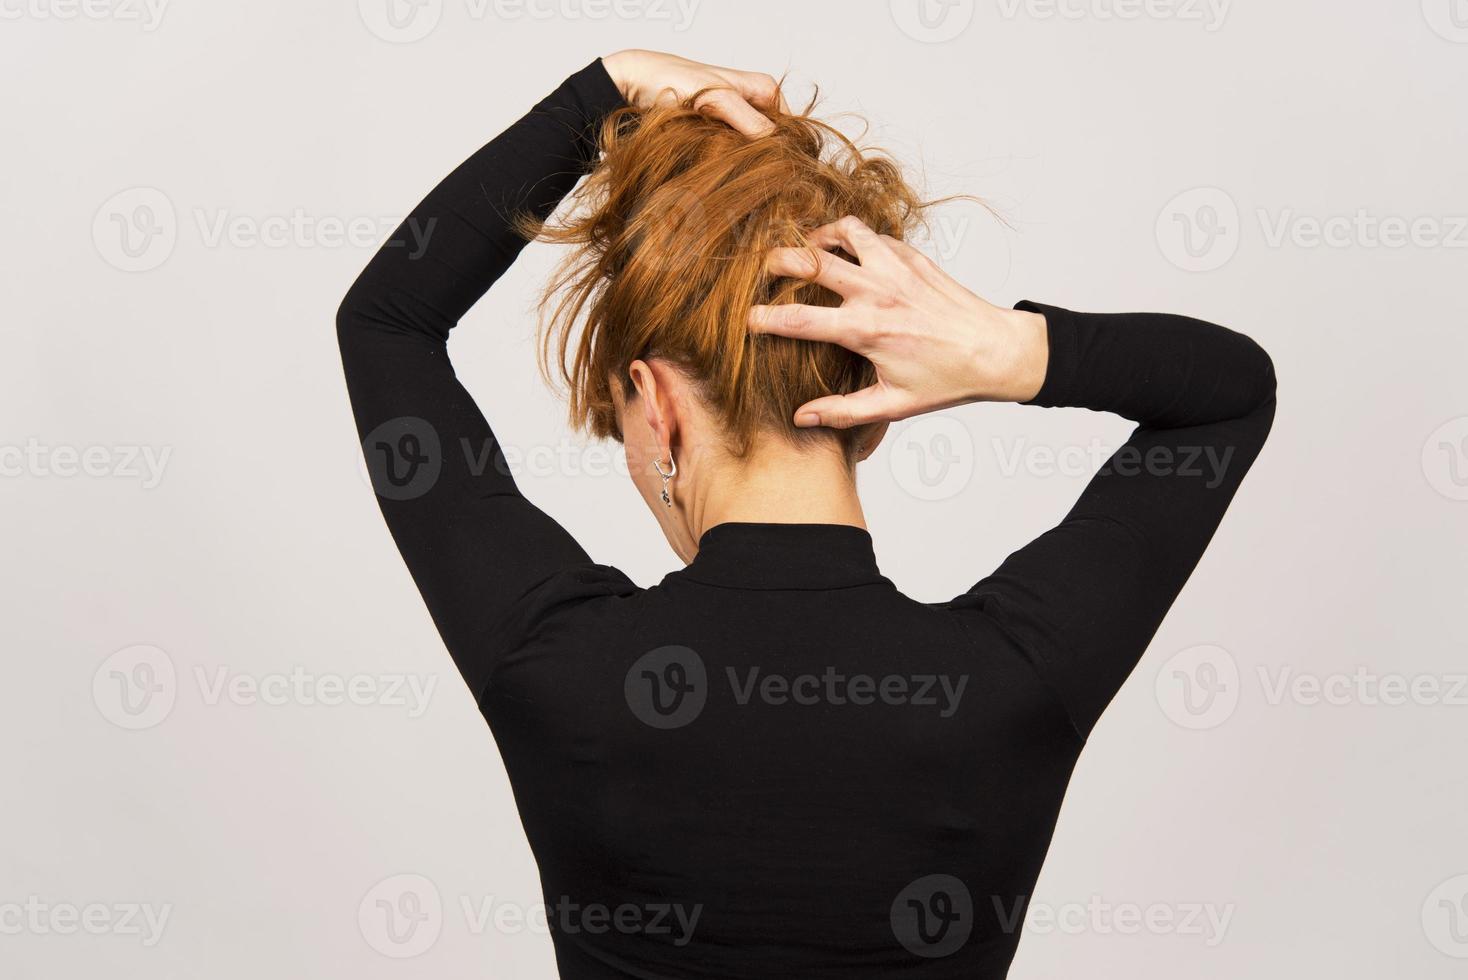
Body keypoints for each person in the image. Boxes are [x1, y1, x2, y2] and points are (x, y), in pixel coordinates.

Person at [336, 49, 1276, 979]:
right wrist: (998, 348)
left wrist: (603, 93)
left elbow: (387, 320)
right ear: (873, 415)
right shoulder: (1013, 682)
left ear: (653, 404)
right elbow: (1231, 391)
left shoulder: (553, 664)